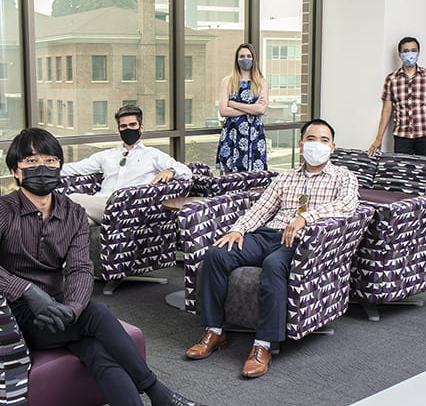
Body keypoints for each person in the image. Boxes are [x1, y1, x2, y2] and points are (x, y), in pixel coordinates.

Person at [0, 128, 221, 406]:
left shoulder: (72, 212)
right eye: (32, 161)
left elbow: (81, 269)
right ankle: (160, 395)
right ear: (17, 171)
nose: (42, 168)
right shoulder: (1, 210)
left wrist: (73, 306)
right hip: (17, 316)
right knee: (98, 316)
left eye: (50, 161)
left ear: (60, 166)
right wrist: (28, 291)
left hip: (62, 315)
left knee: (100, 352)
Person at [188, 119, 359, 378]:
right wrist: (239, 229)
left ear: (332, 147)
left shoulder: (343, 177)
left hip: (303, 240)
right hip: (268, 235)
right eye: (311, 139)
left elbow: (348, 205)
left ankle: (263, 345)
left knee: (274, 265)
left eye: (324, 140)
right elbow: (262, 208)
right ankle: (214, 331)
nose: (317, 145)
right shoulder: (286, 177)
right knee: (216, 254)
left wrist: (306, 218)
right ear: (301, 144)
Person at [61, 105, 192, 224]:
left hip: (126, 210)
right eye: (123, 126)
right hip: (101, 205)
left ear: (141, 127)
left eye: (132, 125)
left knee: (71, 199)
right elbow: (76, 168)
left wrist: (170, 171)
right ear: (118, 130)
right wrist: (46, 167)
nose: (128, 129)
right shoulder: (106, 155)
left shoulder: (153, 155)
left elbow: (186, 171)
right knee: (71, 223)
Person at [369, 36, 426, 157]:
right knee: (403, 173)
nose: (410, 54)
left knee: (425, 173)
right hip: (402, 135)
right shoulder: (391, 79)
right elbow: (387, 110)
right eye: (406, 51)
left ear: (418, 52)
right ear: (400, 54)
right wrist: (379, 138)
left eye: (413, 50)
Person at [216, 43, 270, 172]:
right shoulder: (227, 81)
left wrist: (233, 104)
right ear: (237, 59)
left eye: (248, 56)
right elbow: (223, 111)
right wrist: (252, 107)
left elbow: (261, 110)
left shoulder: (262, 82)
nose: (245, 59)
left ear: (254, 59)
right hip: (232, 134)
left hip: (254, 134)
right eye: (242, 56)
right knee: (230, 180)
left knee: (255, 179)